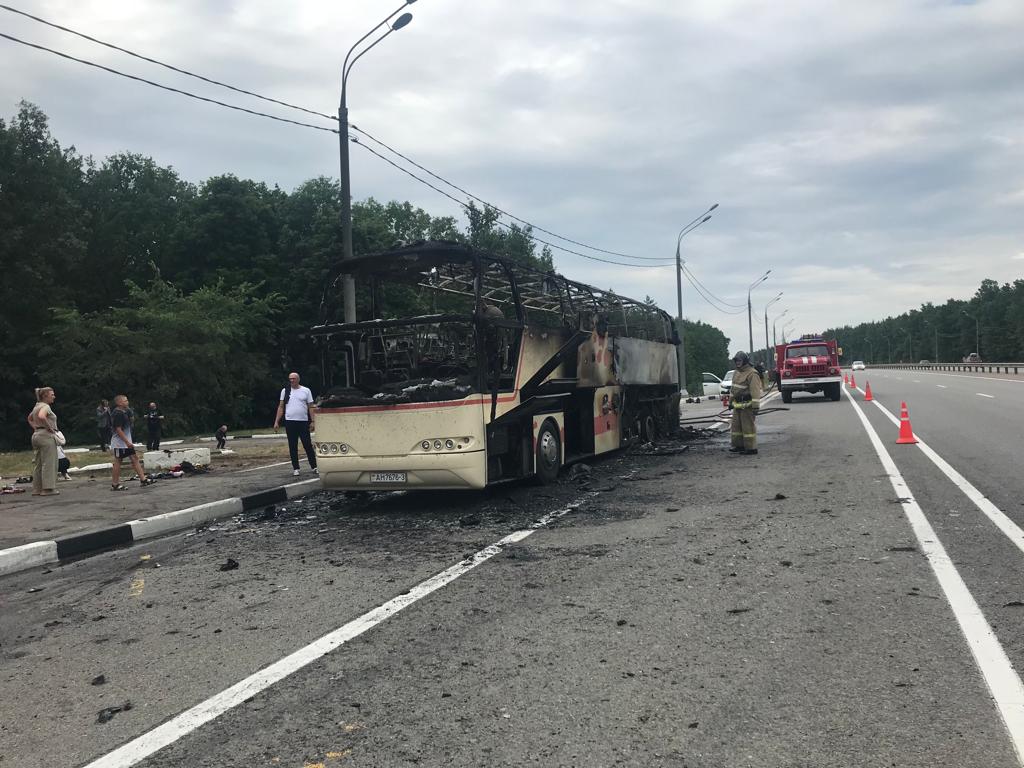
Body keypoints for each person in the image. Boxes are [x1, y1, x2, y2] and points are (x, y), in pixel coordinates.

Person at [273, 372, 318, 477]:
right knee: (292, 445)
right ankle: (296, 468)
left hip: (302, 421)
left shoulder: (306, 391)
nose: (292, 380)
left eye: (293, 378)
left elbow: (311, 406)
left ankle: (314, 466)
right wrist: (276, 421)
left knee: (307, 444)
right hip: (290, 421)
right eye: (290, 379)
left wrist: (313, 421)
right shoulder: (285, 391)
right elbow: (281, 406)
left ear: (298, 379)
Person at [110, 394, 155, 490]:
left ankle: (143, 479)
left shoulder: (125, 411)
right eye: (125, 401)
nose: (127, 402)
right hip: (120, 442)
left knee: (134, 458)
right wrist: (127, 442)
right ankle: (115, 484)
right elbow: (118, 429)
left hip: (126, 441)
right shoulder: (118, 413)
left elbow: (131, 420)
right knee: (118, 461)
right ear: (119, 403)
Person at [729, 351, 763, 456]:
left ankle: (751, 448)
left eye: (739, 360)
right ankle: (739, 446)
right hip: (737, 405)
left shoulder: (752, 373)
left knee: (748, 428)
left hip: (747, 406)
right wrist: (730, 402)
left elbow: (755, 391)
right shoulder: (736, 372)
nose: (737, 362)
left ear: (745, 361)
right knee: (736, 427)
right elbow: (733, 389)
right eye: (736, 361)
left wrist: (755, 407)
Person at [27, 387, 60, 496]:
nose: (54, 396)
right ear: (45, 396)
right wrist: (49, 428)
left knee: (38, 463)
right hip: (46, 436)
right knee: (49, 462)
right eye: (52, 394)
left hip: (36, 435)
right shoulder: (45, 406)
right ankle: (48, 489)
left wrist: (36, 428)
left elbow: (30, 418)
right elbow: (42, 416)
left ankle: (37, 489)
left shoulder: (37, 406)